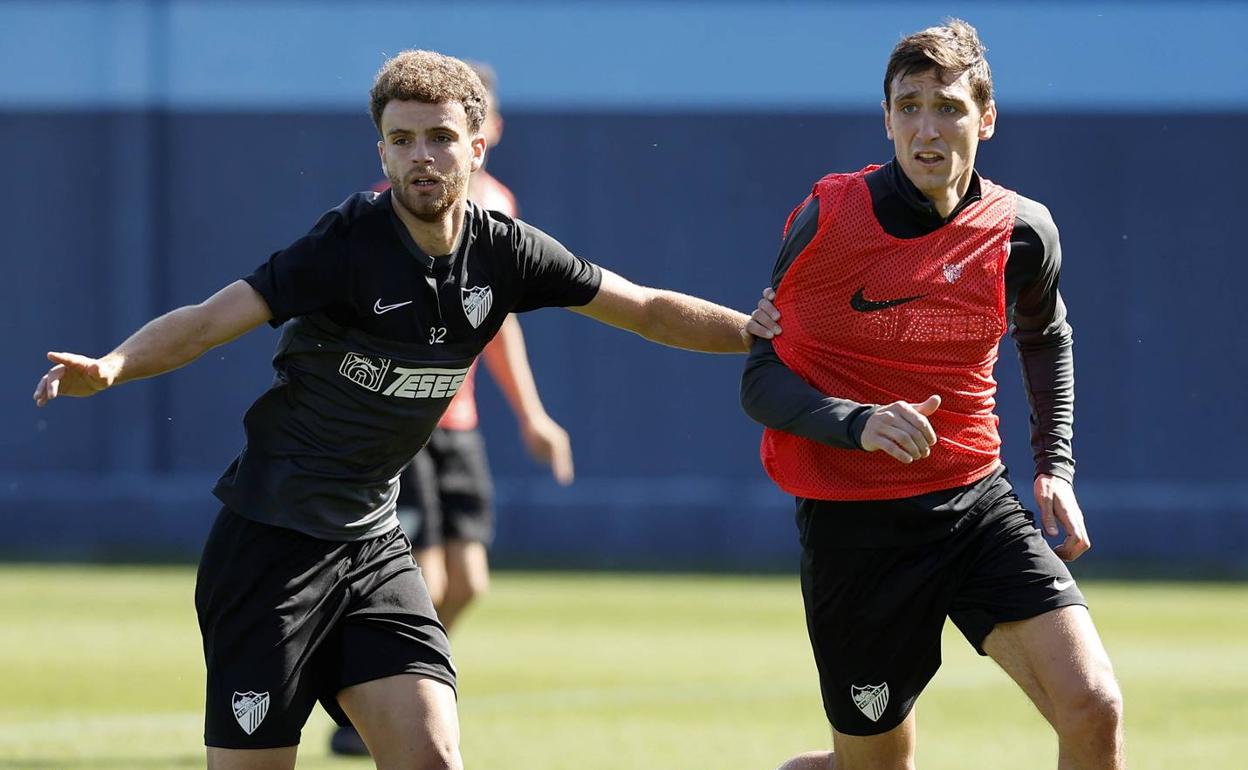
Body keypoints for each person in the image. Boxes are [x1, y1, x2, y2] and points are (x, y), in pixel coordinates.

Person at [33, 50, 774, 770]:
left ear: (477, 148)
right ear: (382, 152)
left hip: (373, 549)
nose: (423, 156)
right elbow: (203, 321)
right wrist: (112, 366)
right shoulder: (343, 245)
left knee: (433, 758)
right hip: (270, 551)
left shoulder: (507, 252)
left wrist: (758, 335)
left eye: (442, 138)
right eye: (403, 140)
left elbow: (645, 308)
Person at [740, 20, 1124, 770]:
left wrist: (1056, 467)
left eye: (947, 106)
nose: (926, 127)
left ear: (985, 118)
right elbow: (761, 377)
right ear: (885, 119)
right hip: (855, 527)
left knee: (1094, 705)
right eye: (908, 106)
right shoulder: (829, 217)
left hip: (973, 503)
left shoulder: (1021, 232)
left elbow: (1046, 336)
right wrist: (858, 423)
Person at [328, 61, 571, 759]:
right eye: (411, 136)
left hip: (456, 424)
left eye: (453, 129)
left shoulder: (498, 207)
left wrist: (531, 415)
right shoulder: (388, 212)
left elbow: (495, 321)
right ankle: (373, 699)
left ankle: (376, 690)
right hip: (402, 422)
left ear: (483, 133)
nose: (428, 152)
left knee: (467, 581)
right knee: (422, 579)